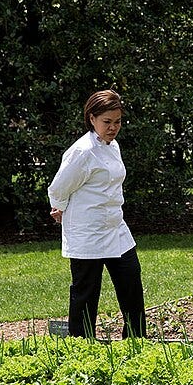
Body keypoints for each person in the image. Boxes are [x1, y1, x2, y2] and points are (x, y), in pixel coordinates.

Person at [48, 89, 146, 339]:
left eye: (117, 122)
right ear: (92, 119)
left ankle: (136, 342)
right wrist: (58, 207)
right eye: (107, 122)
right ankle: (81, 346)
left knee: (131, 283)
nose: (113, 128)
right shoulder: (82, 151)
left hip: (116, 228)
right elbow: (58, 187)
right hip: (88, 232)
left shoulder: (113, 147)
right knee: (86, 292)